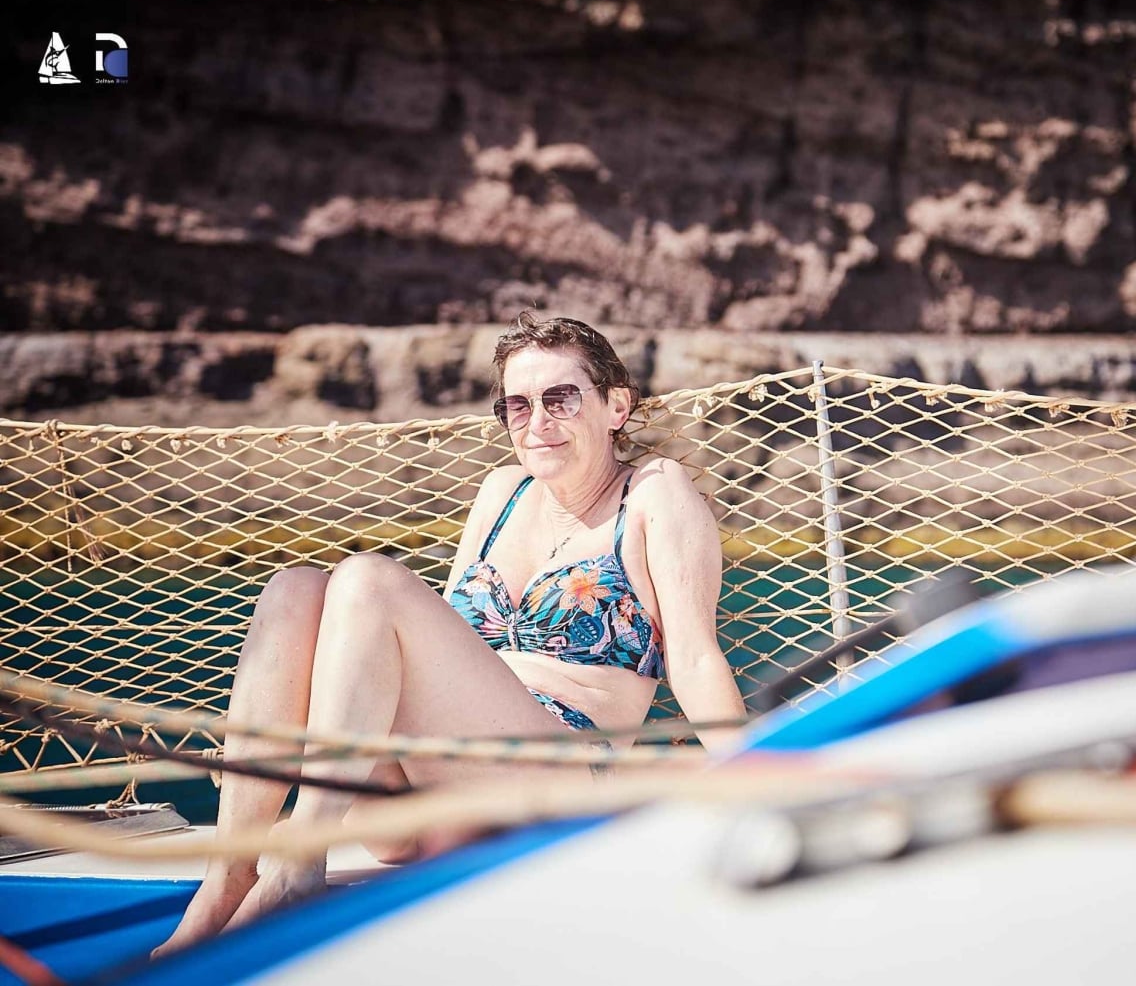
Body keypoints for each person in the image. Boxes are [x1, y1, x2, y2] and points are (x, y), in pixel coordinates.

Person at [154, 313, 747, 957]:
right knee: (294, 589)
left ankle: (301, 854)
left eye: (561, 399)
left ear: (616, 406)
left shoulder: (654, 493)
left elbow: (694, 658)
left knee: (370, 580)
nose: (538, 423)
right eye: (518, 405)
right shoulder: (502, 492)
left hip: (557, 784)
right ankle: (230, 871)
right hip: (423, 796)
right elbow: (436, 647)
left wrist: (756, 780)